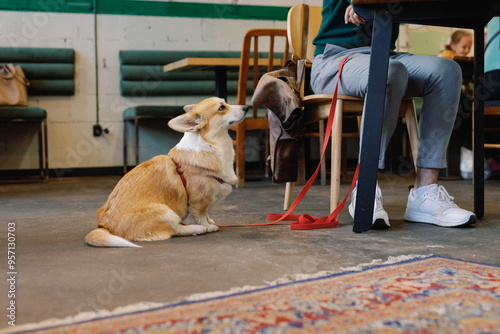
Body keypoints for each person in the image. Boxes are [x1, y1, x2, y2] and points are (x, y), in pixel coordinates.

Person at [311, 0, 477, 228]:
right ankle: (366, 188)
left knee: (447, 71)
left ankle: (425, 193)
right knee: (388, 71)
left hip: (383, 53)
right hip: (335, 58)